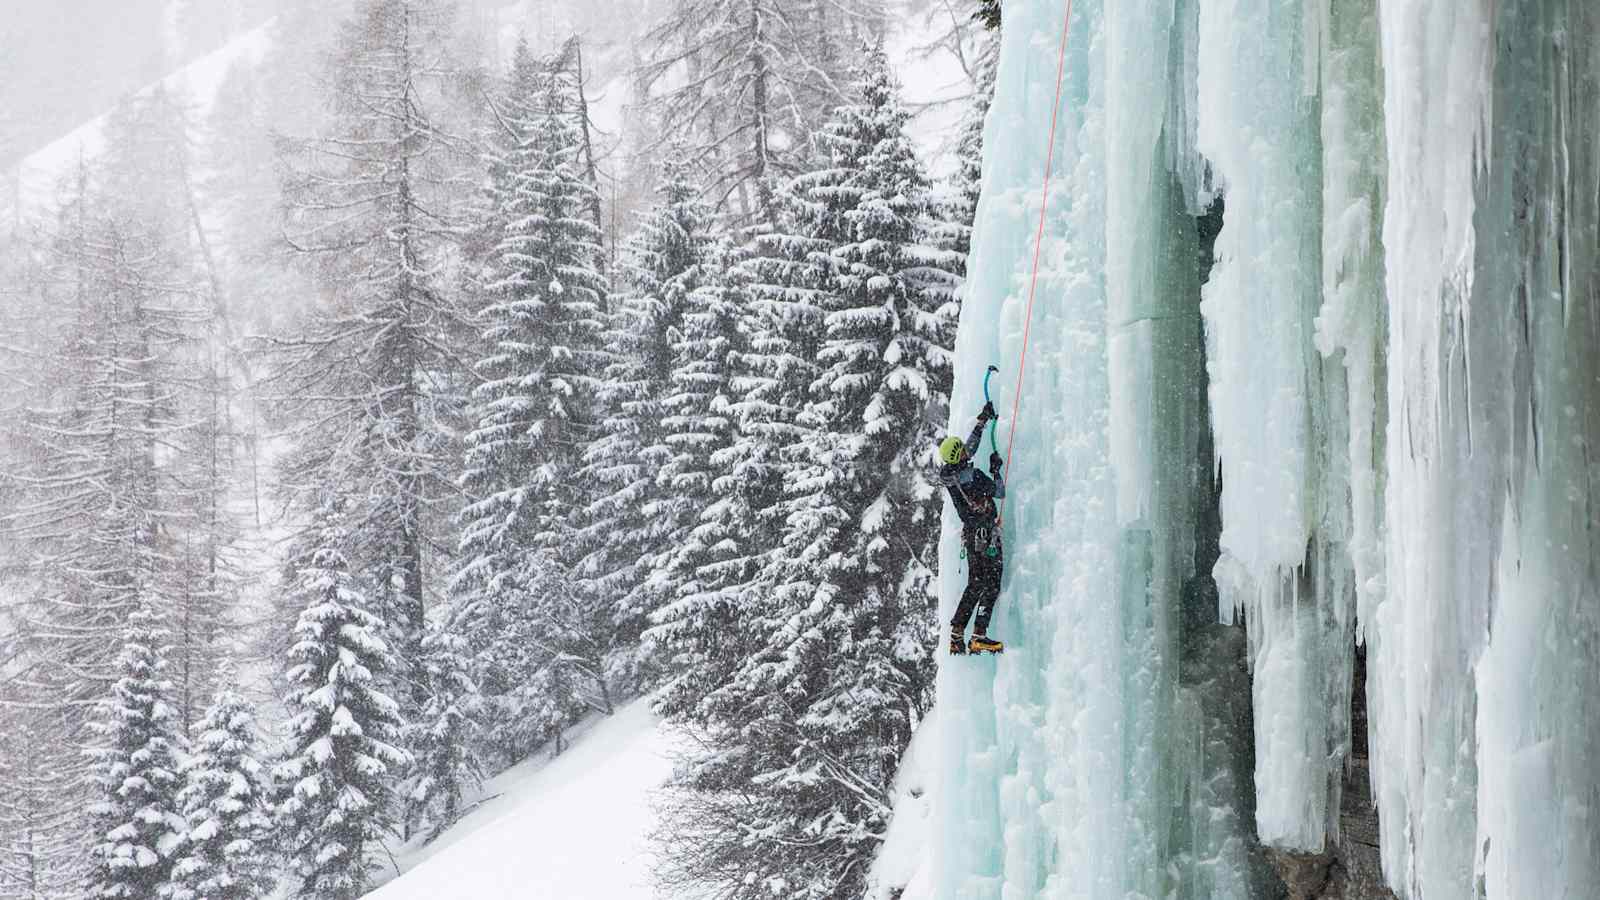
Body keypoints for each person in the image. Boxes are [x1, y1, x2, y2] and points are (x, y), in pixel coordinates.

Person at [938, 402, 1006, 654]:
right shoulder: (975, 478)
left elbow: (966, 449)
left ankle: (957, 635)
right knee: (992, 583)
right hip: (985, 535)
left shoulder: (950, 474)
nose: (967, 453)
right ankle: (979, 634)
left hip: (972, 535)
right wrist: (996, 470)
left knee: (976, 583)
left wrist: (980, 423)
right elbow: (1000, 491)